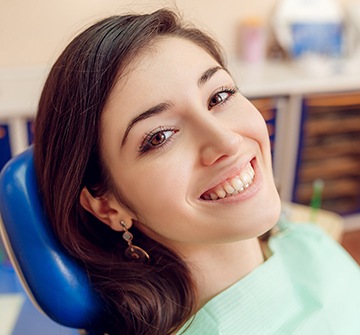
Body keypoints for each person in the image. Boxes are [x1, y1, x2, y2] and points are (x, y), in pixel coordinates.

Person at [34, 8, 360, 335]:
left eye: (219, 97)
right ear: (107, 205)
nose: (227, 141)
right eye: (159, 136)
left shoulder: (298, 238)